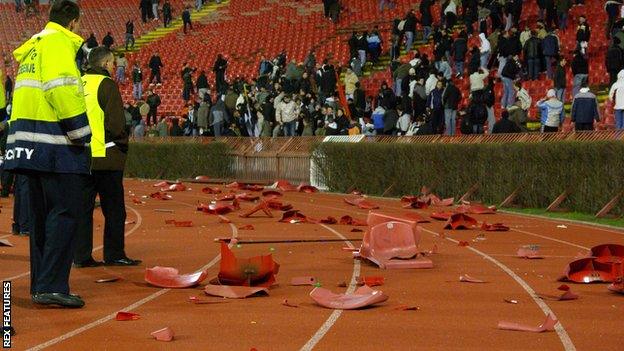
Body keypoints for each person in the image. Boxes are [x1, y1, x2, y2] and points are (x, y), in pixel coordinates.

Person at [5, 0, 91, 308]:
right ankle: (53, 285)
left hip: (30, 146)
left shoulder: (33, 47)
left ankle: (41, 284)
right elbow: (62, 90)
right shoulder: (58, 44)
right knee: (65, 213)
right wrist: (82, 134)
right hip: (56, 147)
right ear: (71, 22)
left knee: (41, 218)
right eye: (79, 25)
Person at [75, 47, 141, 268]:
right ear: (104, 64)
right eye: (112, 63)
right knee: (114, 210)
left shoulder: (79, 82)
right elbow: (116, 124)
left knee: (83, 210)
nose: (115, 67)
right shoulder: (107, 85)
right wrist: (122, 145)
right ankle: (114, 254)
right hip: (106, 156)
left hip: (81, 156)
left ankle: (81, 256)